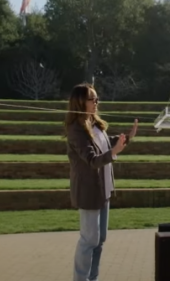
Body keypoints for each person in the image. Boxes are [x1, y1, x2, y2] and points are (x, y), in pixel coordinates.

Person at [64, 83, 138, 281]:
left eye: (97, 98)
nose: (96, 102)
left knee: (100, 239)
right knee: (89, 240)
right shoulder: (76, 130)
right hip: (88, 192)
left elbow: (105, 143)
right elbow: (92, 160)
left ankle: (92, 278)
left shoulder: (94, 124)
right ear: (81, 102)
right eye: (92, 99)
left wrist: (126, 138)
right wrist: (114, 152)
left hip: (103, 190)